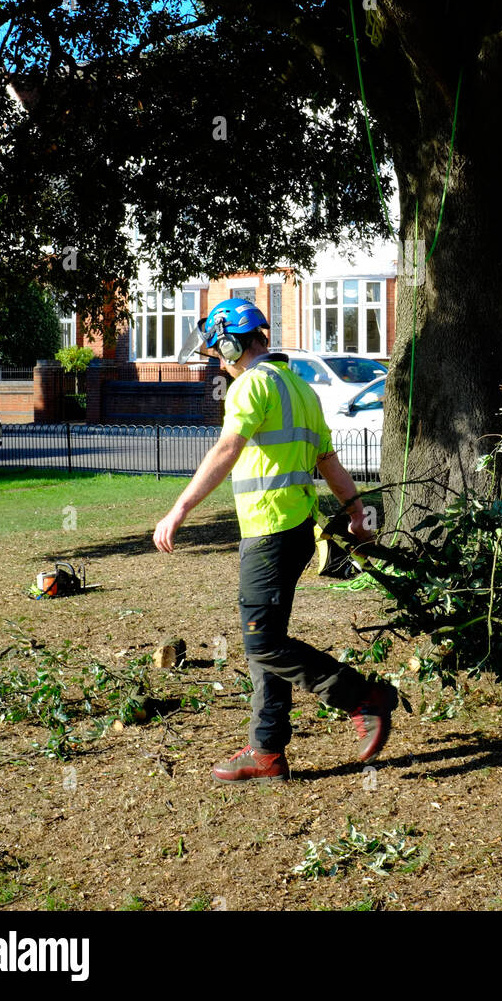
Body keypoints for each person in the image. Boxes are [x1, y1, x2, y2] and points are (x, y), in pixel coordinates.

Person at [152, 298, 396, 782]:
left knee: (263, 644)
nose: (218, 358)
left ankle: (359, 696)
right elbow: (328, 460)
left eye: (219, 347)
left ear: (232, 340)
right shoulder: (300, 388)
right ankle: (266, 752)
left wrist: (180, 509)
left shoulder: (250, 386)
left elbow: (226, 450)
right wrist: (355, 513)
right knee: (265, 640)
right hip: (297, 530)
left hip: (269, 532)